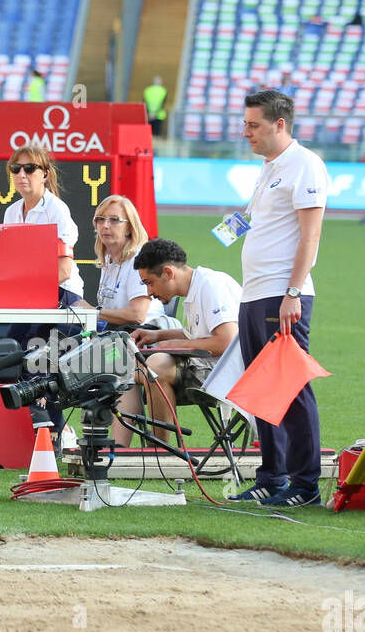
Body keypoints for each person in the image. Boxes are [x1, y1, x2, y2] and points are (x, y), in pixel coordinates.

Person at [229, 89, 330, 507]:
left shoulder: (306, 165)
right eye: (246, 124)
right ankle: (272, 476)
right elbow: (252, 218)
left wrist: (292, 292)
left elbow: (311, 236)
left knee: (290, 388)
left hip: (282, 296)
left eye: (254, 125)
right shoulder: (270, 167)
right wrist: (223, 234)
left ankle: (306, 484)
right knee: (262, 390)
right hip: (254, 293)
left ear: (280, 124)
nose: (246, 132)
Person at [125, 239, 241, 446]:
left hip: (234, 374)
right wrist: (159, 336)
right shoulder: (198, 286)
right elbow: (199, 334)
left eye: (149, 283)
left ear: (169, 273)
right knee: (132, 367)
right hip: (217, 367)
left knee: (156, 366)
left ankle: (160, 452)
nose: (149, 293)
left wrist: (178, 346)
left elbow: (227, 342)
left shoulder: (211, 286)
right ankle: (123, 446)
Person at [1, 145, 83, 433]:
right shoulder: (11, 213)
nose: (21, 175)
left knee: (40, 358)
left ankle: (52, 432)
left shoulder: (58, 211)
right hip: (31, 300)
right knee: (14, 353)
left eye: (29, 169)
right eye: (15, 169)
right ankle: (35, 431)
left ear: (45, 175)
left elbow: (63, 271)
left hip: (63, 298)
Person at [82, 194, 167, 331]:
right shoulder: (109, 260)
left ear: (129, 228)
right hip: (117, 334)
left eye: (114, 220)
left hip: (144, 338)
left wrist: (91, 311)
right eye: (100, 219)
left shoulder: (139, 260)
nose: (105, 225)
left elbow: (137, 315)